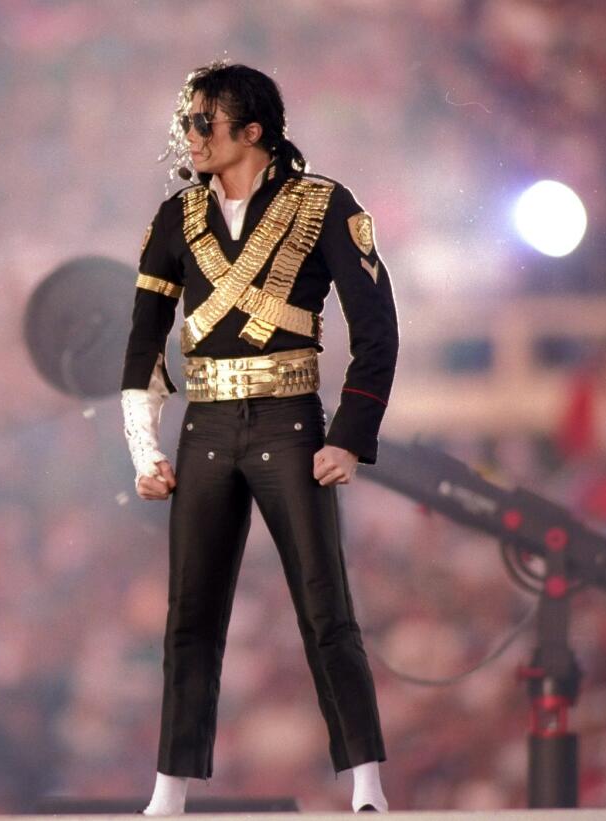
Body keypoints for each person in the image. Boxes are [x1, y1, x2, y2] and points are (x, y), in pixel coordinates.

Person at [120, 63, 398, 814]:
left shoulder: (325, 204)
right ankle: (168, 791)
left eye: (204, 122)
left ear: (253, 130)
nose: (190, 135)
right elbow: (144, 346)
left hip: (290, 422)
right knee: (190, 613)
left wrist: (348, 435)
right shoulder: (174, 219)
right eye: (188, 121)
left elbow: (375, 330)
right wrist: (146, 450)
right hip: (205, 426)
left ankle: (366, 781)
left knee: (324, 604)